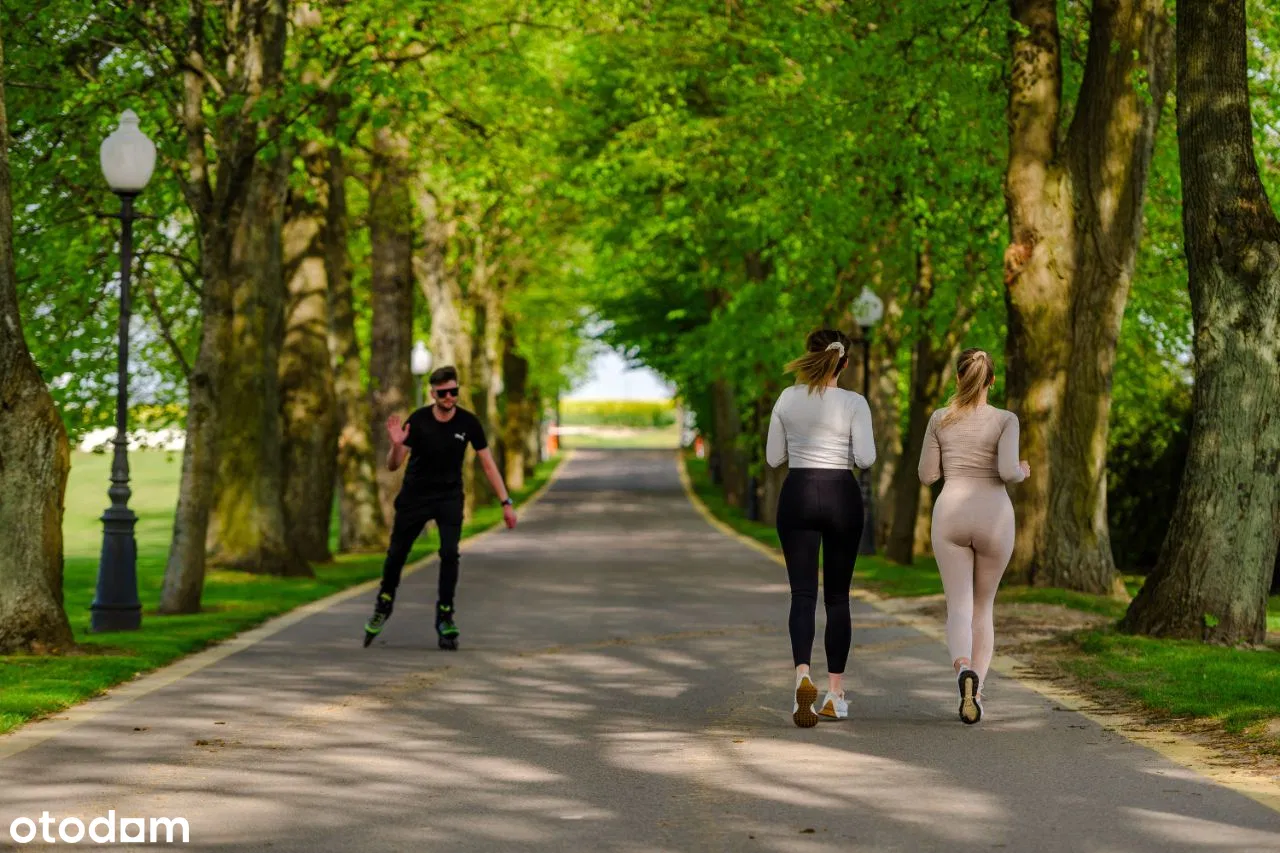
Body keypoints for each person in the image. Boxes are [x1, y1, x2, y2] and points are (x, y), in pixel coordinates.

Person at [363, 365, 518, 650]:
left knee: (449, 553)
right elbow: (393, 465)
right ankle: (384, 603)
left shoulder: (468, 423)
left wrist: (505, 502)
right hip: (415, 497)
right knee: (397, 554)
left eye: (453, 392)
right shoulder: (418, 420)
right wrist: (397, 445)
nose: (449, 397)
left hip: (449, 497)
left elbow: (487, 464)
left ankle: (445, 615)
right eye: (443, 393)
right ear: (433, 393)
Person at [766, 329, 876, 727]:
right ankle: (835, 693)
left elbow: (774, 457)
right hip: (840, 494)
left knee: (802, 594)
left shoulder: (787, 398)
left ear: (810, 356)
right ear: (844, 362)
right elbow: (865, 458)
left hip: (797, 491)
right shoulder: (854, 402)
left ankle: (802, 676)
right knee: (837, 598)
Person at [917, 348, 1029, 724]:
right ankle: (976, 691)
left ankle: (962, 666)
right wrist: (1022, 470)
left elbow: (927, 475)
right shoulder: (1006, 420)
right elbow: (1007, 471)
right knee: (984, 607)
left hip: (951, 513)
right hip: (994, 516)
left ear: (957, 378)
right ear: (991, 381)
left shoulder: (939, 418)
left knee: (959, 607)